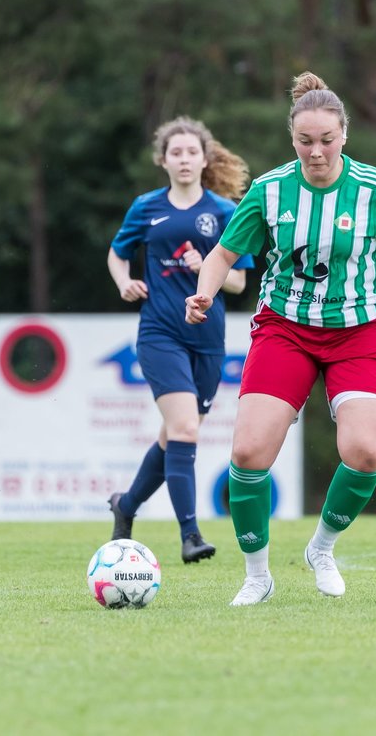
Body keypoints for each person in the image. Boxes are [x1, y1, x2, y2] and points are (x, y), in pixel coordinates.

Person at [185, 71, 376, 606]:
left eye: (326, 140)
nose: (315, 152)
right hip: (285, 330)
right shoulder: (270, 191)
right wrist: (204, 293)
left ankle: (322, 549)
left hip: (361, 333)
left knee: (366, 452)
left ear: (344, 136)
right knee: (249, 452)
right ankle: (256, 576)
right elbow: (223, 256)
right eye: (304, 141)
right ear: (292, 138)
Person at [106, 117, 253, 563]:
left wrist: (204, 266)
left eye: (192, 152)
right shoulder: (146, 207)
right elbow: (117, 253)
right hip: (159, 334)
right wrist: (124, 281)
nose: (184, 159)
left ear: (205, 159)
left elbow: (239, 283)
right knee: (186, 428)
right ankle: (190, 536)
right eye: (176, 153)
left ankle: (126, 505)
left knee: (175, 435)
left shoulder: (226, 212)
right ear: (163, 161)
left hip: (208, 340)